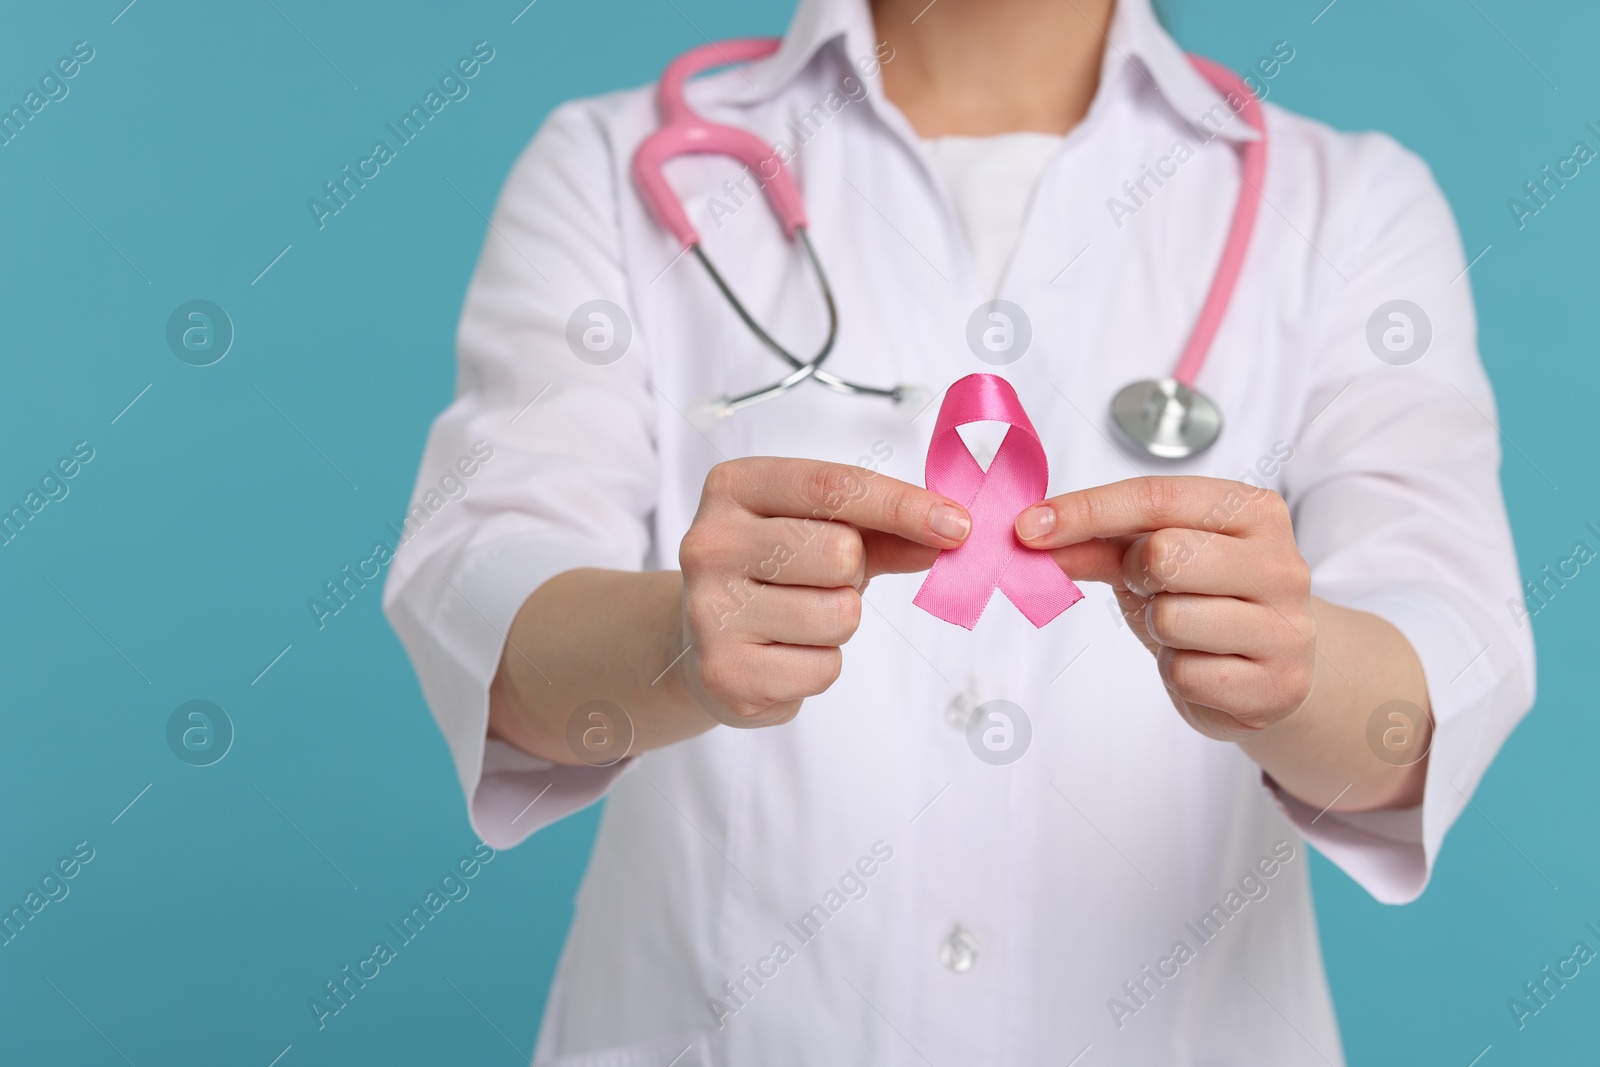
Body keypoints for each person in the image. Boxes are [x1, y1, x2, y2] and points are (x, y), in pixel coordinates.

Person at [383, 0, 1535, 1061]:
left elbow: (1436, 682)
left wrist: (1298, 667)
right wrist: (675, 640)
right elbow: (481, 597)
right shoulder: (605, 168)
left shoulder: (1348, 207)